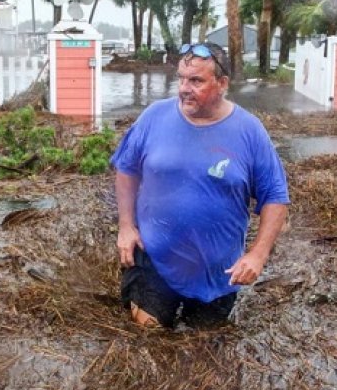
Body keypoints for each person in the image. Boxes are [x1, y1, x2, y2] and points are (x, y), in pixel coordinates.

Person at [110, 42, 290, 329]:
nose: (184, 88)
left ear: (222, 84)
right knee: (148, 333)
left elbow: (275, 197)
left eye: (195, 81)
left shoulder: (249, 131)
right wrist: (126, 226)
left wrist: (258, 253)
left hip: (218, 273)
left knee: (204, 343)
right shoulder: (154, 117)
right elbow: (126, 168)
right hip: (155, 259)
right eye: (181, 78)